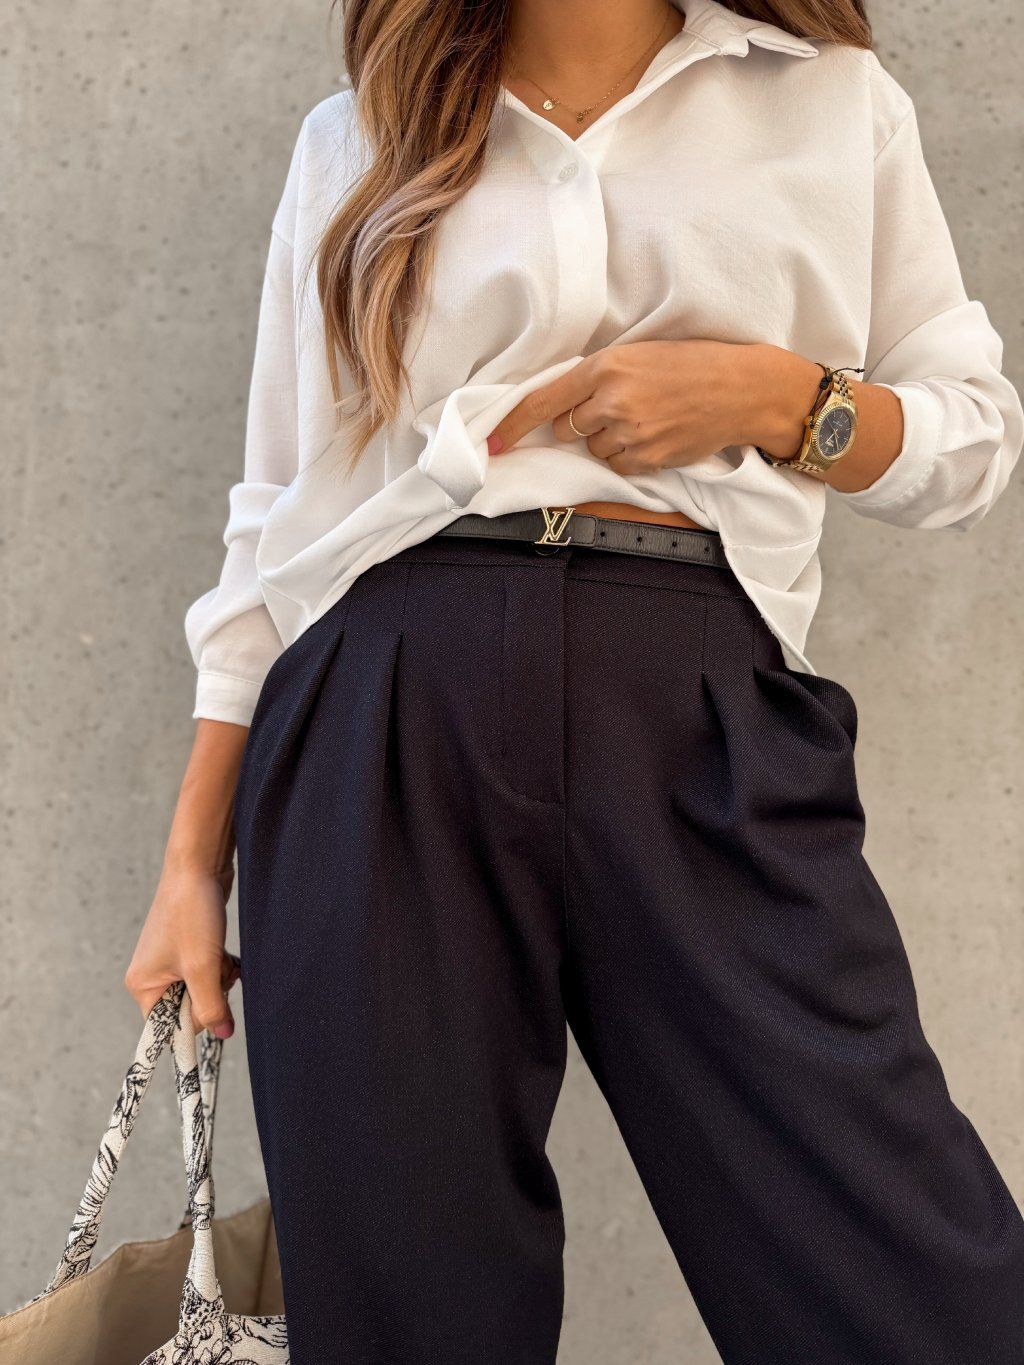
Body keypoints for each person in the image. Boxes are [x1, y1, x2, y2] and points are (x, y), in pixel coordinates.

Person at [125, 0, 1024, 1360]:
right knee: (403, 1313)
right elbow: (276, 520)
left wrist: (772, 396)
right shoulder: (359, 138)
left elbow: (969, 442)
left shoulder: (831, 105)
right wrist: (193, 862)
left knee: (912, 1285)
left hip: (699, 700)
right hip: (382, 705)